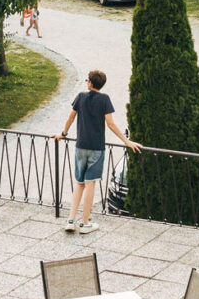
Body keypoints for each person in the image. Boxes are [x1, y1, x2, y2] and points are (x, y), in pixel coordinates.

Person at [52, 70, 138, 234]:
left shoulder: (81, 97)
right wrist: (127, 141)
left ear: (90, 83)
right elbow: (111, 125)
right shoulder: (104, 100)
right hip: (96, 148)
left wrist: (63, 134)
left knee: (79, 183)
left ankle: (70, 220)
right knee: (91, 184)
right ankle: (84, 223)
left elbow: (71, 117)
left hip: (81, 146)